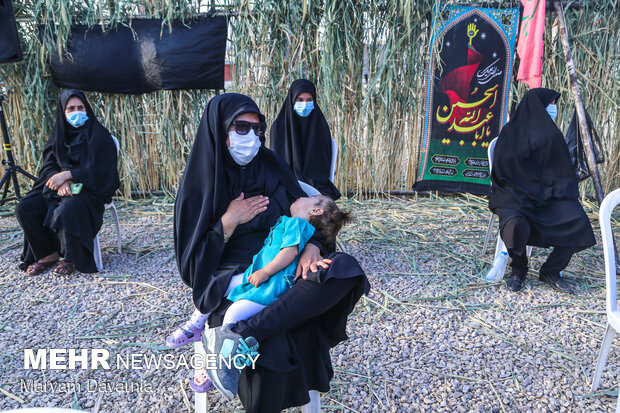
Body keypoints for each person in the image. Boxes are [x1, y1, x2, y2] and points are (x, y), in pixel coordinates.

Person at [170, 93, 369, 412]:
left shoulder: (273, 167)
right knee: (274, 345)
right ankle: (249, 335)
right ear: (219, 129)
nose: (252, 136)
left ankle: (245, 334)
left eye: (257, 128)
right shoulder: (200, 185)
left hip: (287, 273)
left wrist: (312, 248)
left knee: (344, 268)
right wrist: (227, 222)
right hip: (237, 283)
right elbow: (192, 267)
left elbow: (319, 220)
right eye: (241, 127)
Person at [199, 195, 351, 398]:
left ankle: (223, 361)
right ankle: (197, 324)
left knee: (233, 314)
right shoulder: (290, 221)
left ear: (315, 211)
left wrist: (265, 272)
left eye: (312, 197)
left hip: (270, 284)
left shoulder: (297, 224)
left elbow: (288, 253)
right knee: (219, 285)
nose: (303, 195)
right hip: (256, 276)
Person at [488, 88, 596, 294]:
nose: (553, 108)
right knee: (515, 222)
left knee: (578, 221)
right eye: (551, 103)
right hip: (515, 194)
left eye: (555, 104)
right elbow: (502, 173)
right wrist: (524, 187)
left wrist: (558, 190)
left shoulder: (551, 134)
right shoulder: (511, 133)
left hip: (548, 194)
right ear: (537, 105)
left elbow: (561, 172)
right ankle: (518, 269)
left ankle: (551, 271)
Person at [15, 90, 120, 276]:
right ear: (63, 112)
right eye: (71, 108)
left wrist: (70, 174)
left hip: (89, 189)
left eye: (80, 107)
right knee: (25, 208)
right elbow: (48, 166)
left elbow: (103, 171)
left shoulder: (99, 135)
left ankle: (71, 258)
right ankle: (47, 254)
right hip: (58, 188)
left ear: (87, 109)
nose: (76, 112)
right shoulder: (58, 136)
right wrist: (60, 180)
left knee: (68, 209)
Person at [269, 79, 340, 199]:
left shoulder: (320, 126)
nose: (305, 104)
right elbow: (277, 165)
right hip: (285, 184)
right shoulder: (279, 128)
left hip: (316, 185)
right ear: (292, 100)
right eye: (300, 100)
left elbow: (322, 166)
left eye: (309, 100)